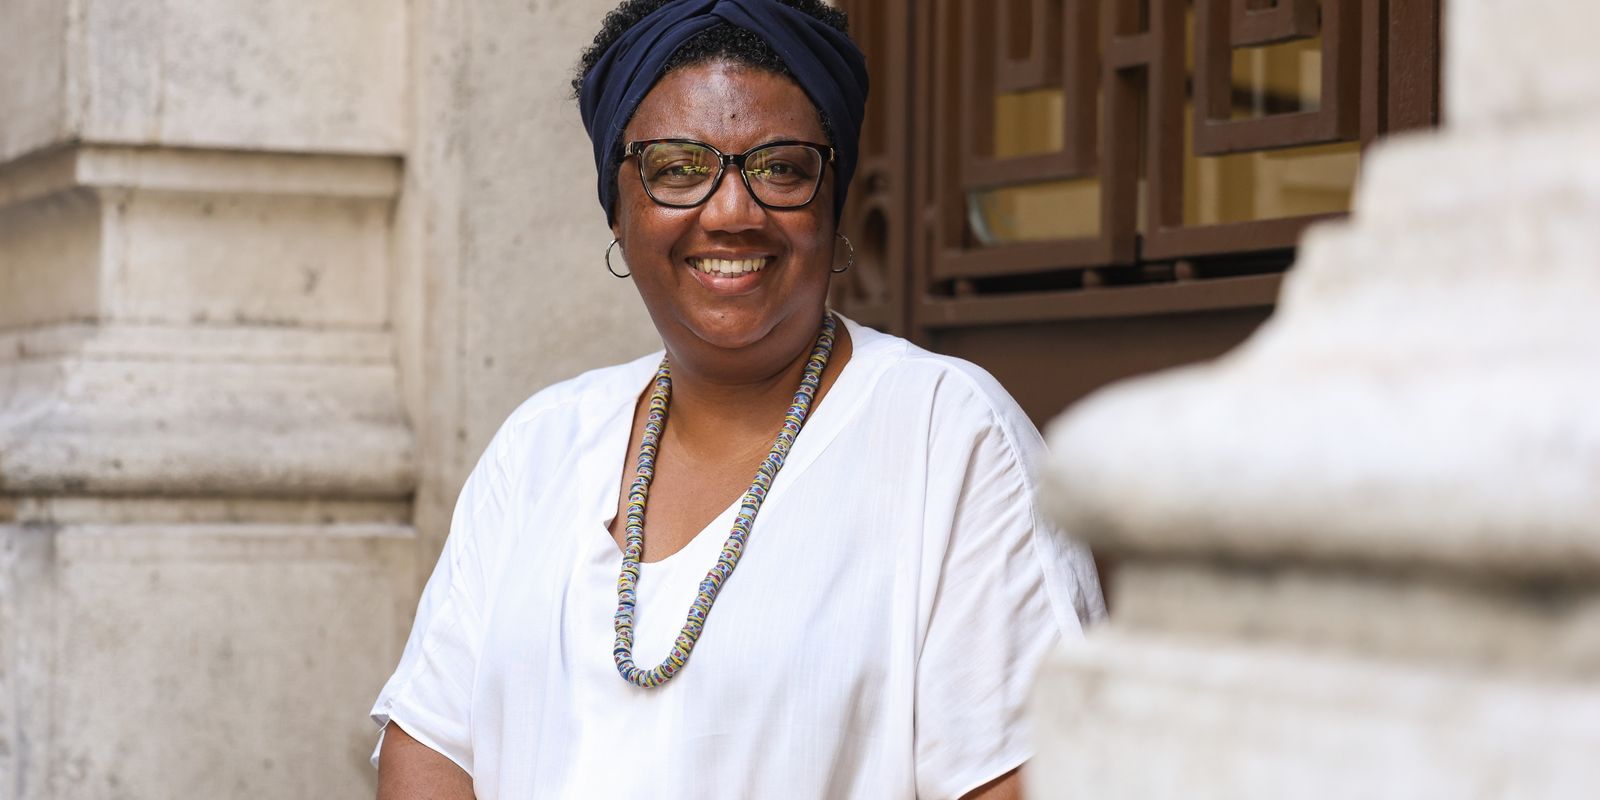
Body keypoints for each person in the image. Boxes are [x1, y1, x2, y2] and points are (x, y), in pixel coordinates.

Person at [371, 1, 1105, 797]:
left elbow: (1020, 776)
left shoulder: (950, 436)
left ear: (832, 201)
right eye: (678, 168)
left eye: (782, 169)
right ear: (617, 210)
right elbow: (432, 747)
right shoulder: (541, 444)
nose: (731, 212)